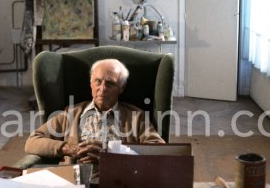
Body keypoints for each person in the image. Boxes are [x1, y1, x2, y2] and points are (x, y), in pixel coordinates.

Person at [24, 58, 165, 167]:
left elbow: (160, 151)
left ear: (121, 88)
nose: (102, 89)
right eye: (98, 81)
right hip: (76, 183)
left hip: (119, 180)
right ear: (91, 83)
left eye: (110, 84)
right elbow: (32, 141)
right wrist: (67, 148)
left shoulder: (135, 116)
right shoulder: (72, 113)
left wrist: (112, 153)